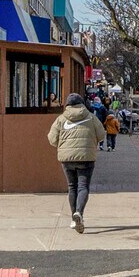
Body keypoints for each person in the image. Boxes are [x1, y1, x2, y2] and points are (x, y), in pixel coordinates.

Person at [48, 93, 106, 232]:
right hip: (86, 157)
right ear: (82, 104)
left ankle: (74, 217)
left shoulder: (61, 119)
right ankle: (79, 212)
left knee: (72, 186)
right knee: (83, 187)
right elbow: (102, 135)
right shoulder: (91, 117)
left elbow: (52, 139)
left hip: (67, 158)